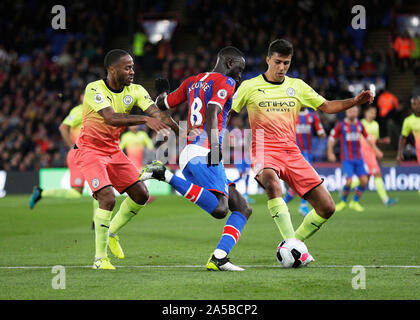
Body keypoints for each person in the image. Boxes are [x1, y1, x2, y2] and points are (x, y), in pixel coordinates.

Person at [230, 39, 373, 257]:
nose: (281, 67)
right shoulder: (249, 87)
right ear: (268, 60)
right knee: (271, 182)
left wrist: (355, 101)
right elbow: (227, 113)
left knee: (327, 208)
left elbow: (326, 106)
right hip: (264, 150)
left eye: (286, 63)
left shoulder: (297, 86)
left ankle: (292, 245)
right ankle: (290, 245)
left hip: (292, 153)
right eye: (277, 62)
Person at [140, 46, 252, 271]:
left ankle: (219, 257)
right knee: (221, 209)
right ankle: (164, 174)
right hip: (206, 150)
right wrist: (215, 150)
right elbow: (212, 112)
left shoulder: (193, 81)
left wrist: (162, 94)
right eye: (239, 70)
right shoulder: (225, 82)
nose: (239, 77)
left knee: (241, 206)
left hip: (191, 152)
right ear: (229, 63)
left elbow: (162, 105)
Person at [73, 49, 177, 270]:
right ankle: (100, 259)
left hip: (113, 150)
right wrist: (144, 119)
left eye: (132, 67)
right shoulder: (94, 89)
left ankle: (112, 232)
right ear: (112, 70)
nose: (132, 71)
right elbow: (111, 118)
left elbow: (156, 114)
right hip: (90, 150)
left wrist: (182, 131)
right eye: (127, 67)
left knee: (141, 195)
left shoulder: (136, 90)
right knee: (107, 198)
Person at [328, 106, 383, 212]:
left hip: (359, 159)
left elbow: (368, 139)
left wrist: (376, 150)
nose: (352, 113)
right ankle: (343, 202)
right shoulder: (341, 125)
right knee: (348, 182)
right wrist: (330, 152)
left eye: (354, 111)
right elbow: (331, 139)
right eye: (350, 111)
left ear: (357, 113)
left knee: (364, 180)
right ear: (346, 112)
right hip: (347, 159)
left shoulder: (359, 125)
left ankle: (354, 202)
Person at [352, 105, 397, 206]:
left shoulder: (376, 125)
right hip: (363, 154)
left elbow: (374, 141)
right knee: (376, 174)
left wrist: (383, 141)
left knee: (365, 179)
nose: (374, 114)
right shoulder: (361, 123)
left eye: (375, 112)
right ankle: (386, 200)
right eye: (372, 112)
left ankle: (351, 195)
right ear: (366, 113)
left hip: (371, 154)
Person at [283, 108, 326, 216]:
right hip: (293, 153)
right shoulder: (290, 114)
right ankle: (301, 205)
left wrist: (322, 133)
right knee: (304, 181)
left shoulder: (313, 116)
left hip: (307, 154)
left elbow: (321, 132)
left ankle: (284, 204)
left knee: (301, 182)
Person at [398, 96, 420, 166]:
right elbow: (403, 137)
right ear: (411, 106)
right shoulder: (408, 121)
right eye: (414, 104)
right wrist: (400, 152)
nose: (417, 106)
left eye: (419, 103)